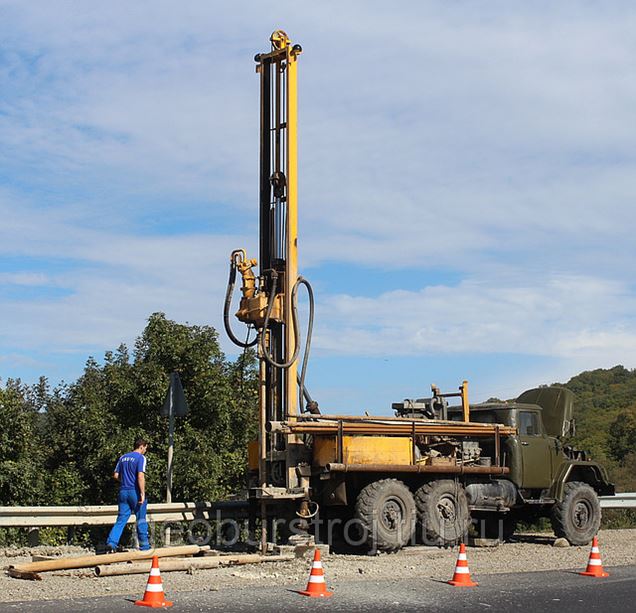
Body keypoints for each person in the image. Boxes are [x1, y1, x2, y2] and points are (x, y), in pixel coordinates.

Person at [105, 438, 151, 552]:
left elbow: (115, 475)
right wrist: (142, 493)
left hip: (123, 491)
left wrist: (125, 481)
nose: (145, 450)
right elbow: (140, 476)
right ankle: (144, 547)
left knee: (121, 519)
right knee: (141, 519)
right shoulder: (141, 458)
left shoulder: (123, 457)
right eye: (145, 448)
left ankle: (111, 543)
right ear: (142, 446)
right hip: (134, 492)